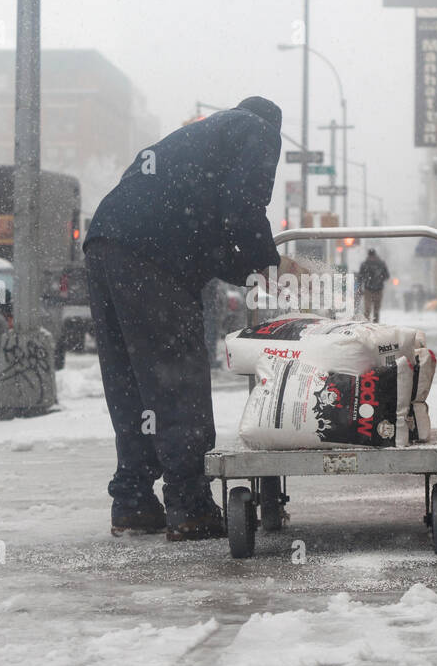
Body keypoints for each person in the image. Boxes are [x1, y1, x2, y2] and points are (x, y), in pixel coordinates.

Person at [84, 97, 300, 541]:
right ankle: (190, 505)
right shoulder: (258, 130)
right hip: (153, 257)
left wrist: (253, 269)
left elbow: (210, 233)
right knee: (175, 378)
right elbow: (242, 209)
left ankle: (132, 501)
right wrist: (270, 263)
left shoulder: (194, 142)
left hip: (104, 242)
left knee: (129, 381)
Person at [357, 248, 389, 322]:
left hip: (371, 289)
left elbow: (360, 277)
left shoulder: (365, 264)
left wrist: (361, 287)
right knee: (373, 310)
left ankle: (369, 324)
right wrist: (380, 279)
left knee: (371, 310)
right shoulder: (381, 264)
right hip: (375, 289)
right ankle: (372, 323)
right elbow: (386, 276)